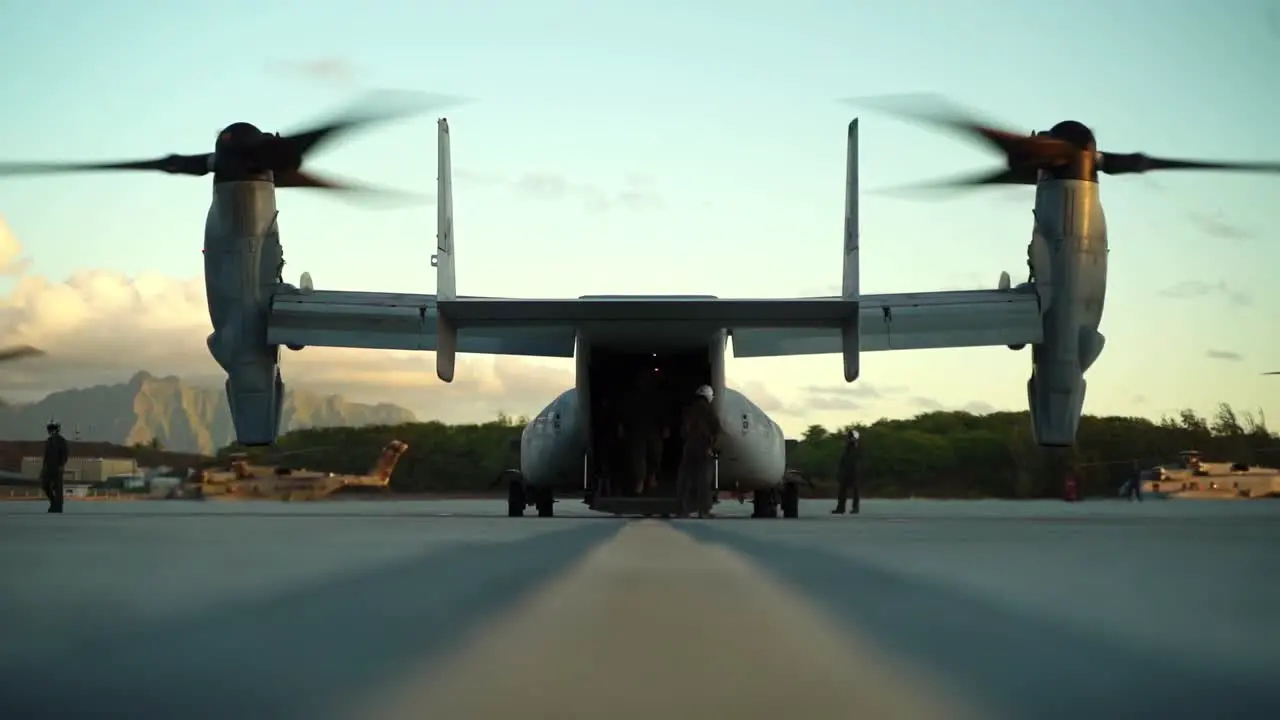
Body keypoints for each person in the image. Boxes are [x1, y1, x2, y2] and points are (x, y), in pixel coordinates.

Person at [676, 384, 722, 518]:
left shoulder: (688, 410)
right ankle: (703, 511)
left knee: (684, 480)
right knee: (704, 481)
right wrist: (713, 446)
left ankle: (681, 510)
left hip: (689, 447)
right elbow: (717, 431)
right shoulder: (710, 411)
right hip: (703, 448)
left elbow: (683, 430)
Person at [41, 420, 70, 513]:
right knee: (45, 485)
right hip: (48, 467)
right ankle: (53, 502)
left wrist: (61, 465)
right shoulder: (49, 441)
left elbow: (65, 454)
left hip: (57, 468)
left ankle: (58, 507)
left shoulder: (61, 440)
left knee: (58, 488)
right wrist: (44, 467)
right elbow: (46, 455)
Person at [833, 428, 861, 515]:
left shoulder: (857, 448)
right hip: (846, 471)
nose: (849, 439)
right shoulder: (847, 448)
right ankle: (840, 508)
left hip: (854, 472)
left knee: (855, 491)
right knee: (842, 490)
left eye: (850, 437)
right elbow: (843, 460)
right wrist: (840, 471)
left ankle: (855, 508)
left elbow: (858, 460)